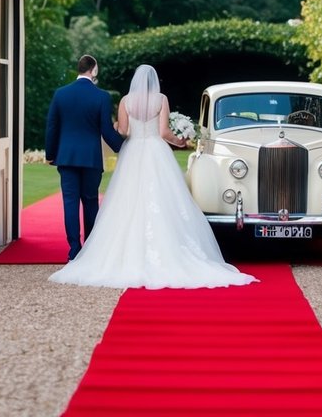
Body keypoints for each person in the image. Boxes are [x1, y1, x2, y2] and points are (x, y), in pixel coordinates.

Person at [49, 64, 257, 289]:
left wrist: (120, 134)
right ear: (154, 81)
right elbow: (164, 132)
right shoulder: (161, 99)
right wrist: (180, 141)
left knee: (125, 200)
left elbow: (123, 131)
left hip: (133, 151)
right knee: (164, 198)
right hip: (157, 152)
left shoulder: (127, 101)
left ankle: (89, 250)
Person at [45, 55, 126, 261]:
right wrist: (123, 147)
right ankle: (90, 248)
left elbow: (52, 127)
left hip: (67, 158)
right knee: (90, 201)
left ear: (79, 69)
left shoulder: (60, 94)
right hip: (90, 158)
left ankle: (74, 249)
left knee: (70, 202)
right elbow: (106, 130)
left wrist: (51, 154)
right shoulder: (101, 96)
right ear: (94, 70)